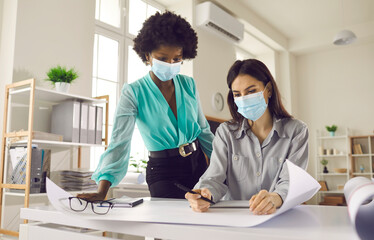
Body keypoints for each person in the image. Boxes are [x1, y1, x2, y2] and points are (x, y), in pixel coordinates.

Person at [78, 11, 214, 201]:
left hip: (198, 166)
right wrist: (103, 190)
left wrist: (227, 169)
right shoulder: (133, 92)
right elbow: (120, 142)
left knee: (202, 222)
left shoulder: (188, 84)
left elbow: (204, 132)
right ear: (147, 56)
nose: (170, 64)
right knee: (169, 228)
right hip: (163, 172)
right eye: (163, 58)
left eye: (176, 58)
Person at [185, 59, 308, 215]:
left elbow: (291, 181)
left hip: (277, 215)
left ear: (268, 89)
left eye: (251, 91)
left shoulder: (297, 131)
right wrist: (204, 194)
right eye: (238, 94)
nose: (244, 98)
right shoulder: (226, 132)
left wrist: (274, 198)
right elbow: (214, 177)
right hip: (236, 218)